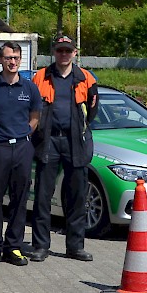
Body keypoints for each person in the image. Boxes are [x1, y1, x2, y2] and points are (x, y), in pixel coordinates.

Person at [30, 35, 99, 263]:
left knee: (77, 196)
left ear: (75, 53)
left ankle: (75, 247)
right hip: (48, 140)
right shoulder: (40, 76)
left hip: (75, 142)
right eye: (60, 50)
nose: (64, 54)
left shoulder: (86, 78)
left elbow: (94, 109)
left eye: (68, 51)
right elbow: (31, 107)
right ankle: (40, 246)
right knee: (42, 196)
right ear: (54, 52)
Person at [0, 40, 43, 268]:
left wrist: (22, 136)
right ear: (0, 60)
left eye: (15, 58)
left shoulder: (30, 88)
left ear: (20, 60)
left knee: (19, 198)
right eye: (7, 58)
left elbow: (34, 118)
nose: (12, 62)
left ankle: (13, 245)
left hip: (22, 148)